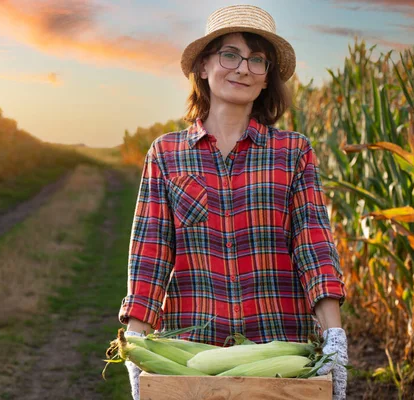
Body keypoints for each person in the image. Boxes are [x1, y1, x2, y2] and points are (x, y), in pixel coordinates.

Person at [117, 4, 348, 400]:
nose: (243, 68)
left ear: (265, 81)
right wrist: (136, 347)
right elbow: (151, 258)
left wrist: (334, 338)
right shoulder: (166, 154)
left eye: (257, 60)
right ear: (204, 66)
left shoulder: (293, 152)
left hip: (278, 353)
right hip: (194, 355)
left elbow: (314, 248)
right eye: (230, 54)